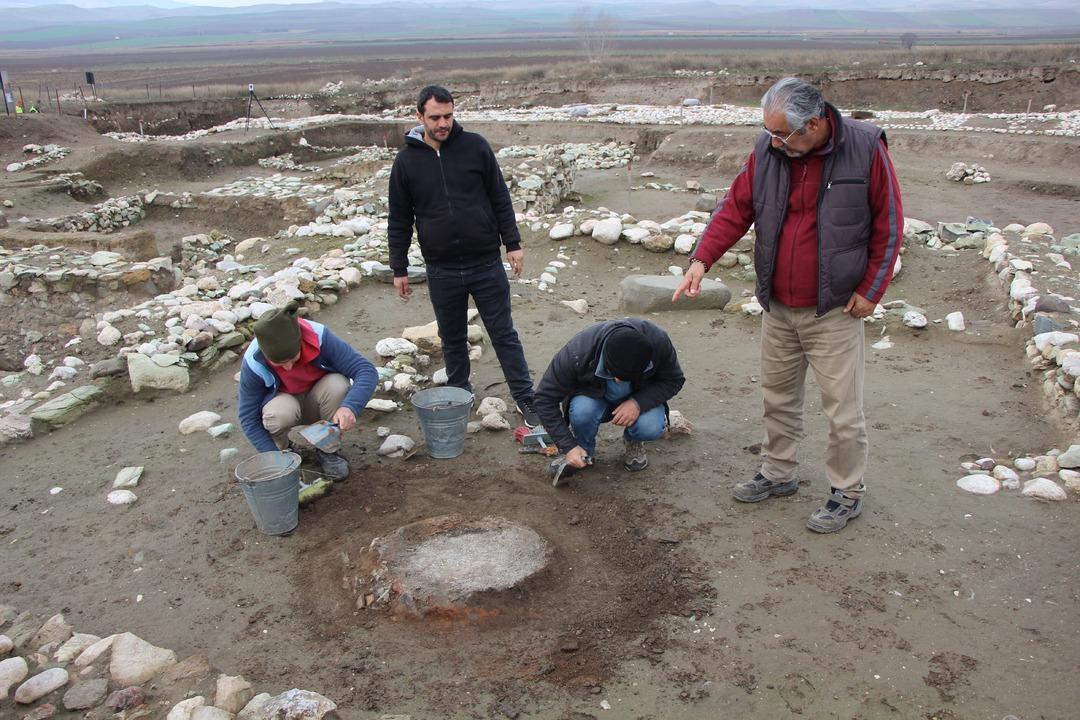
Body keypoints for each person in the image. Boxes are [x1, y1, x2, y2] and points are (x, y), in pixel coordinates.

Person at [673, 77, 903, 533]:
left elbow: (889, 225)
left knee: (842, 410)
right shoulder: (769, 150)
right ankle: (778, 473)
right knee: (777, 397)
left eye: (781, 134)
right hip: (778, 305)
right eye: (770, 132)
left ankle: (846, 492)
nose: (773, 140)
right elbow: (735, 208)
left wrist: (871, 290)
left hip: (834, 308)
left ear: (814, 124)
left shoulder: (865, 147)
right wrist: (701, 259)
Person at [387, 84, 540, 427]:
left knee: (503, 333)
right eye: (435, 117)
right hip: (441, 269)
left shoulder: (475, 147)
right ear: (419, 117)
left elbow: (499, 197)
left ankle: (525, 398)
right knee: (452, 338)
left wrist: (512, 243)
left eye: (448, 116)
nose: (443, 123)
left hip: (485, 263)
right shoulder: (407, 161)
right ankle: (460, 394)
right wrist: (399, 267)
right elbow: (399, 218)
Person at [238, 302, 378, 480]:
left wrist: (350, 407)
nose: (288, 367)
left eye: (292, 359)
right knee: (277, 414)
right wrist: (273, 457)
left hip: (318, 398)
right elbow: (248, 418)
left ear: (300, 343)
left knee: (338, 385)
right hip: (285, 404)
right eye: (280, 364)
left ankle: (327, 451)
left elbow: (365, 370)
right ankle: (285, 454)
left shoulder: (319, 337)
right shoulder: (253, 362)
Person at [533, 319, 685, 482]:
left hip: (639, 396)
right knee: (582, 412)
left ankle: (633, 441)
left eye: (627, 377)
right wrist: (567, 445)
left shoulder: (658, 342)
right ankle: (582, 450)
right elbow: (544, 399)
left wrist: (638, 403)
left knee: (650, 427)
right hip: (593, 397)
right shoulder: (578, 351)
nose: (619, 381)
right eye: (613, 373)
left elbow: (674, 380)